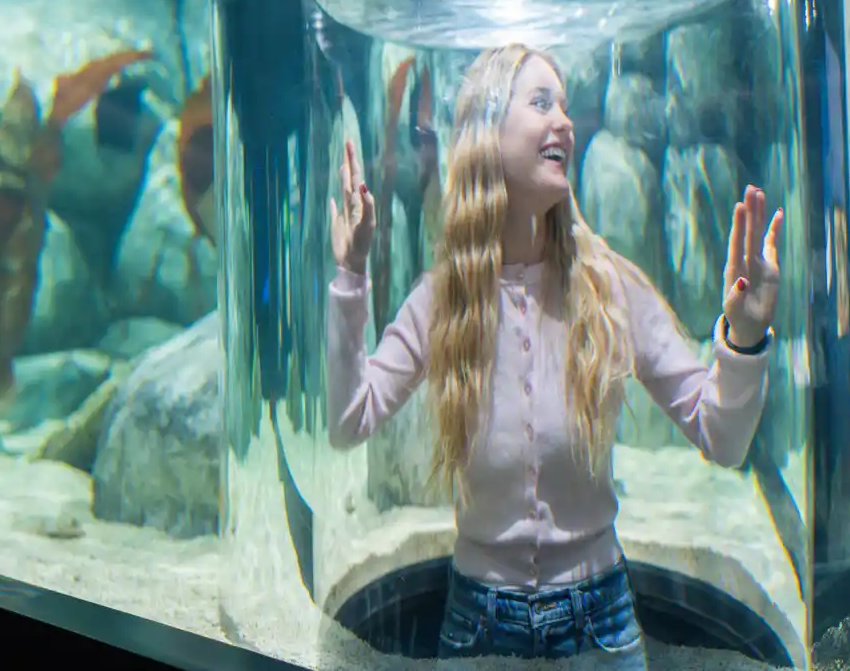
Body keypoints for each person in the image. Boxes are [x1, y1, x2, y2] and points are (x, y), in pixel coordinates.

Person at [326, 43, 784, 666]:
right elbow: (351, 419)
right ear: (487, 131)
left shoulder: (610, 286)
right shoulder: (444, 300)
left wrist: (745, 337)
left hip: (602, 621)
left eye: (566, 107)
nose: (565, 123)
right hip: (477, 622)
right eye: (541, 102)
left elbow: (722, 437)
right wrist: (351, 277)